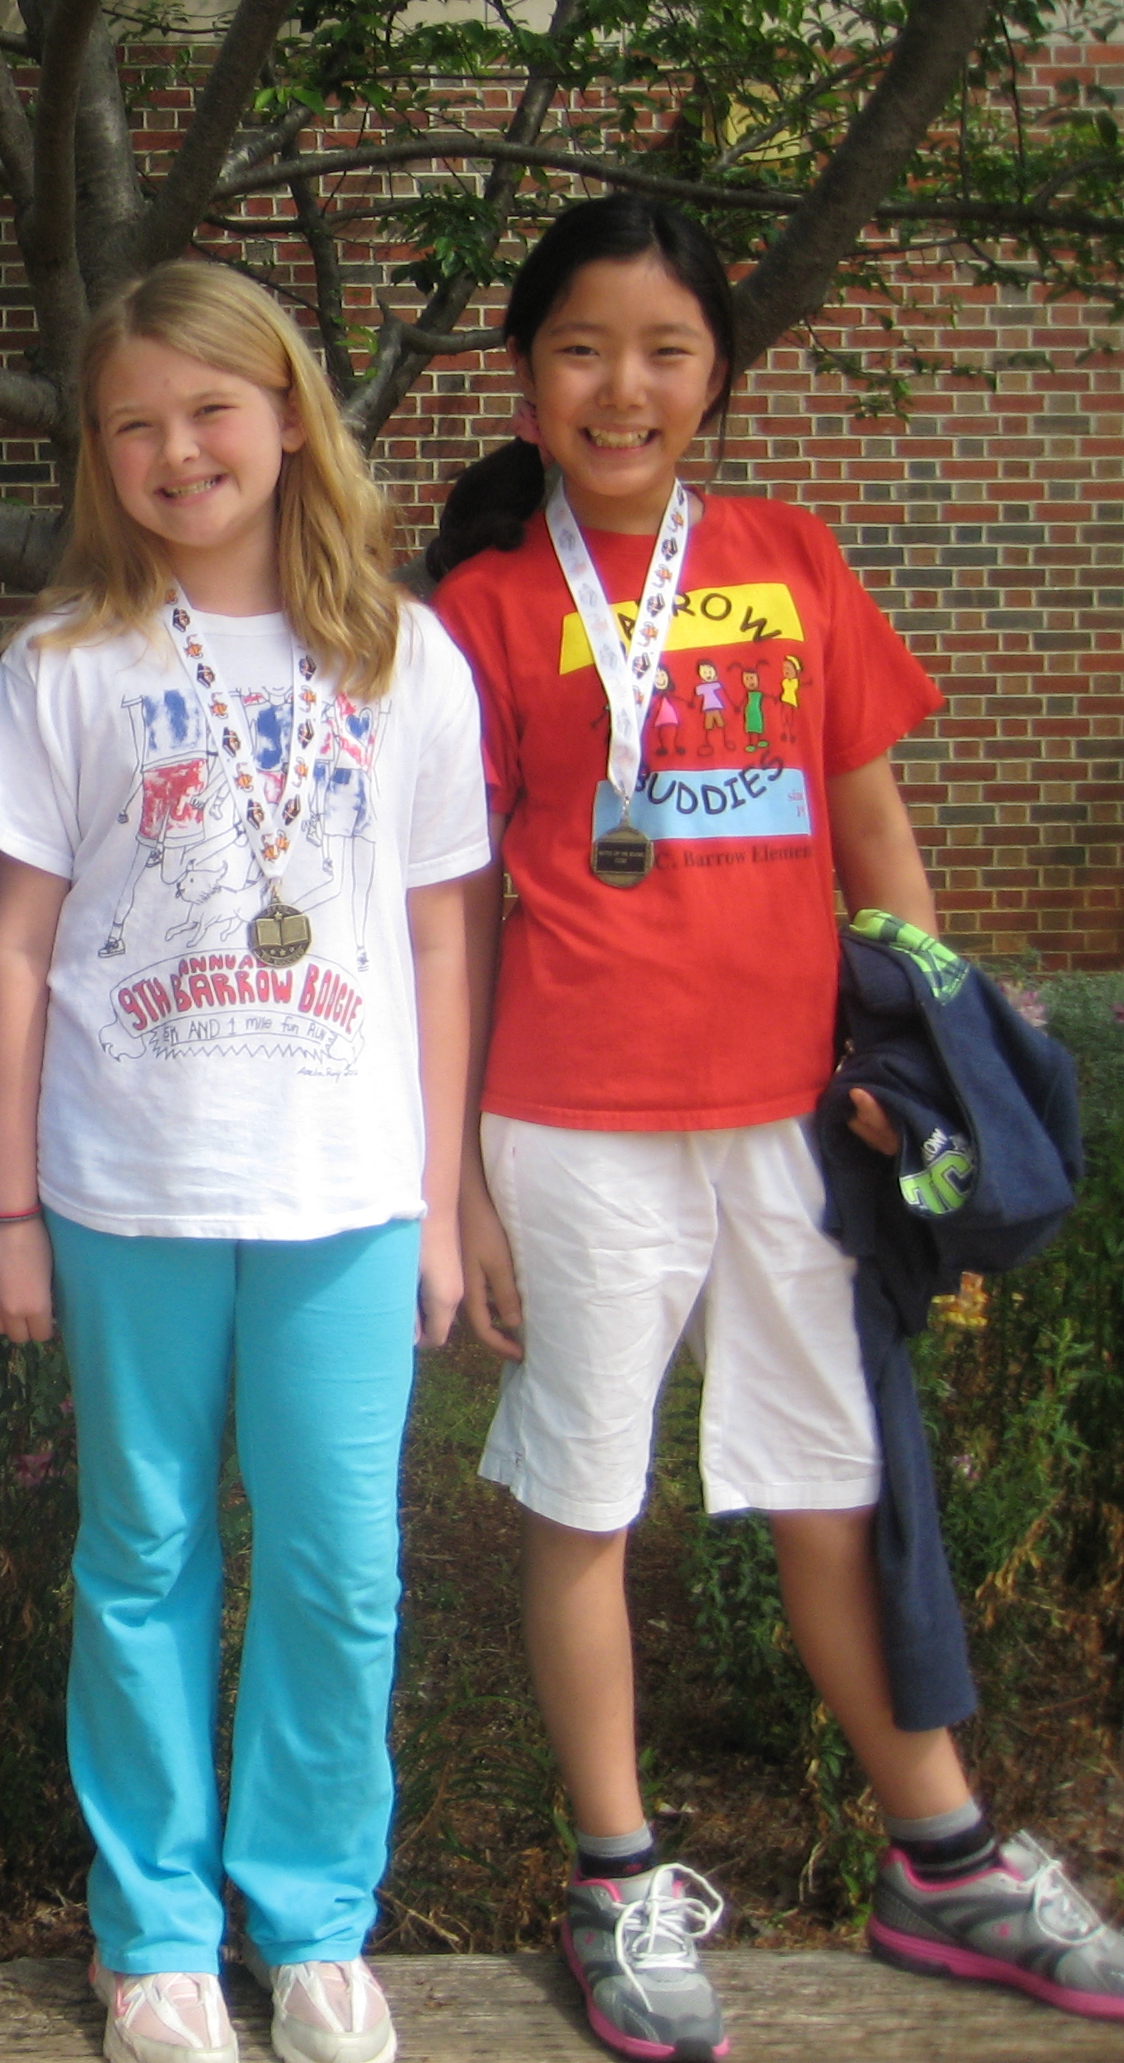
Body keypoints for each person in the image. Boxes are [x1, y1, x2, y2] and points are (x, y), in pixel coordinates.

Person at [426, 192, 1124, 2059]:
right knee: (588, 1496)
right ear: (524, 383)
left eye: (665, 351)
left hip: (799, 1120)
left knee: (835, 1483)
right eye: (583, 349)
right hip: (572, 1122)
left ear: (717, 377)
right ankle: (615, 1876)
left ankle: (942, 1858)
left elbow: (871, 822)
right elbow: (455, 908)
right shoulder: (480, 612)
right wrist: (461, 1181)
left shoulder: (791, 555)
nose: (623, 387)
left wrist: (931, 1048)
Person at [0, 260, 488, 2063]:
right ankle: (158, 1933)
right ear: (98, 453)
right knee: (143, 1552)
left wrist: (439, 1200)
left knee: (343, 1567)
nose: (178, 451)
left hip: (346, 1187)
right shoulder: (65, 665)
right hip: (131, 1183)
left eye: (211, 410)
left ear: (288, 416)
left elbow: (440, 940)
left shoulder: (405, 656)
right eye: (136, 425)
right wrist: (4, 1207)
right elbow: (16, 950)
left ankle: (317, 1919)